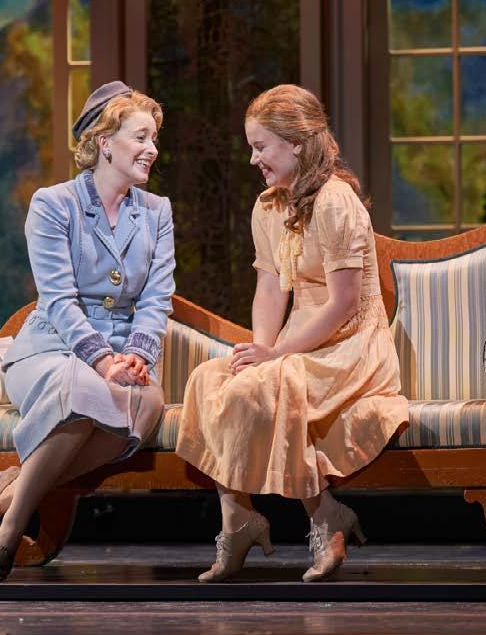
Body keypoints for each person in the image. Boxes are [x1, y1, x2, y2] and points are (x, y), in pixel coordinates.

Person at [174, 83, 410, 583]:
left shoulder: (336, 202)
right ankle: (237, 519)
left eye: (261, 146)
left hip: (350, 345)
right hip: (298, 342)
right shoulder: (268, 207)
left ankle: (325, 517)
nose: (253, 159)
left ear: (297, 143)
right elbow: (268, 289)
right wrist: (263, 349)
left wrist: (276, 355)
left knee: (270, 383)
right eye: (251, 147)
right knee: (209, 379)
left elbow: (345, 303)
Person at [0, 81, 175, 582]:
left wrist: (138, 355)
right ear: (105, 143)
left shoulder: (156, 212)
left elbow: (156, 297)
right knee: (82, 389)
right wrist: (102, 360)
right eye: (141, 137)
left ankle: (12, 491)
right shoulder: (53, 204)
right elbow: (58, 299)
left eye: (154, 138)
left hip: (124, 355)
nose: (152, 148)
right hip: (52, 349)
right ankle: (10, 532)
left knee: (147, 403)